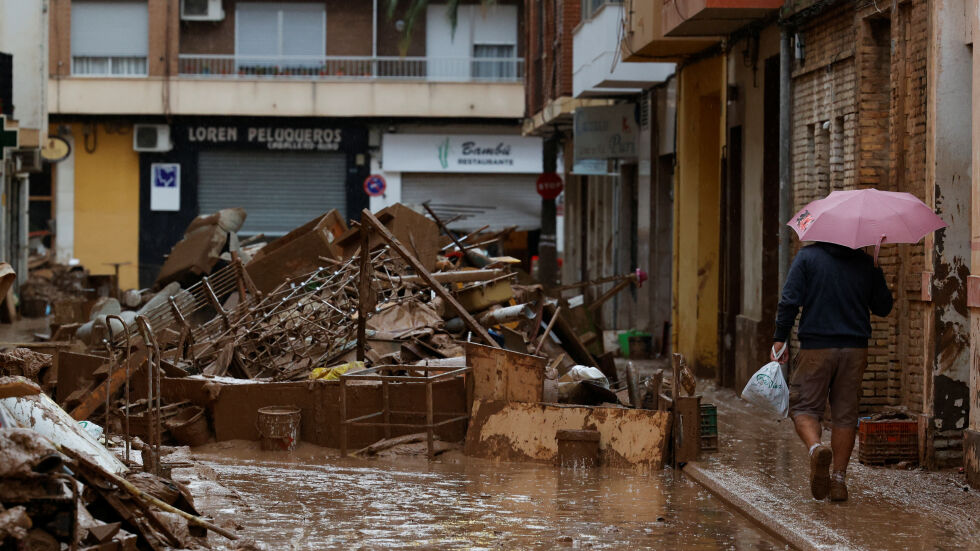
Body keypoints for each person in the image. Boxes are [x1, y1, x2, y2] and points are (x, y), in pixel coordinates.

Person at [771, 241, 892, 502]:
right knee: (845, 416)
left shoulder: (807, 257)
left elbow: (789, 300)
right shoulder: (865, 262)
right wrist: (875, 270)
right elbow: (883, 307)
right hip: (855, 349)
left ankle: (816, 449)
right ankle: (838, 480)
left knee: (803, 407)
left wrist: (780, 337)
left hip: (817, 347)